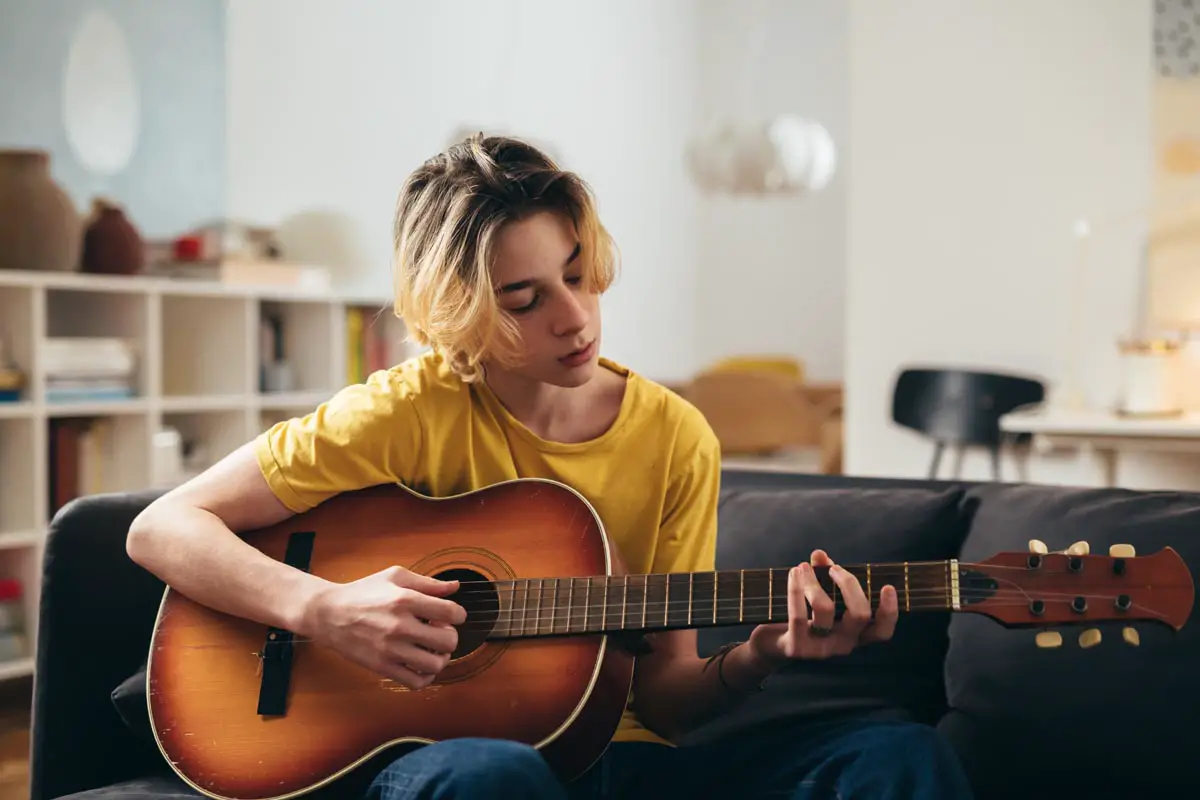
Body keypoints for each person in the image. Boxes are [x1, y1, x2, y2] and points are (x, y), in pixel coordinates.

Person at [126, 133, 973, 800]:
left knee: (893, 757)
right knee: (493, 776)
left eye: (578, 275)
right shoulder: (408, 410)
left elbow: (670, 697)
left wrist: (766, 652)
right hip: (429, 759)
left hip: (625, 763)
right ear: (455, 309)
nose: (575, 319)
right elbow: (163, 526)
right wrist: (323, 608)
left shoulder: (675, 438)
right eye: (524, 299)